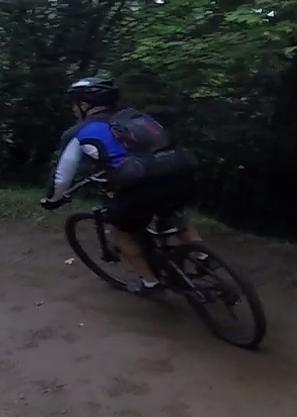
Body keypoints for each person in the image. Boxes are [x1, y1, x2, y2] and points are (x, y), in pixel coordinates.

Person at [40, 76, 199, 293]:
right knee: (175, 215)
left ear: (85, 104)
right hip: (181, 170)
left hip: (143, 184)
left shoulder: (78, 132)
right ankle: (204, 257)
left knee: (123, 233)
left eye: (74, 103)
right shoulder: (137, 117)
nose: (73, 109)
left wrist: (52, 200)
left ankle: (150, 284)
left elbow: (61, 177)